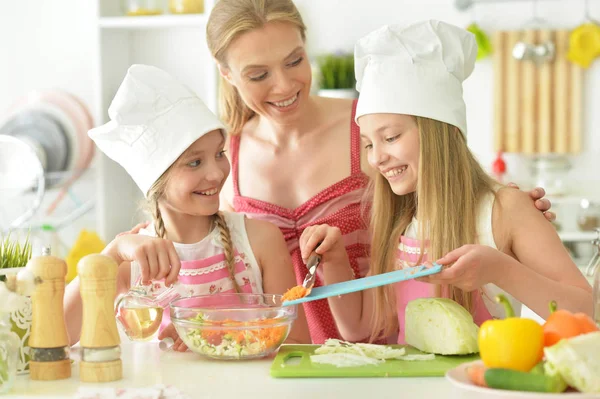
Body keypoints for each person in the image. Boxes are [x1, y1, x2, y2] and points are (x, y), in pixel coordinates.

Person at [124, 0, 554, 344]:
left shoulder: (368, 127)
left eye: (294, 61)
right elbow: (186, 236)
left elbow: (443, 180)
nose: (284, 85)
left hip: (381, 346)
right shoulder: (220, 156)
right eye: (258, 74)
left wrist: (509, 213)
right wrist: (126, 244)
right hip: (280, 357)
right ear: (226, 74)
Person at [299, 20, 593, 344]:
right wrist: (335, 260)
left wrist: (500, 269)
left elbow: (586, 311)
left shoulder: (505, 209)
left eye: (391, 137)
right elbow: (358, 328)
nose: (376, 158)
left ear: (444, 133)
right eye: (369, 144)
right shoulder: (399, 221)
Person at [63, 65, 310, 350]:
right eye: (195, 162)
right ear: (157, 179)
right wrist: (112, 254)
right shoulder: (129, 263)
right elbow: (59, 337)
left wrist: (216, 334)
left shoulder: (260, 240)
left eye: (219, 154)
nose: (217, 173)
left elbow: (297, 343)